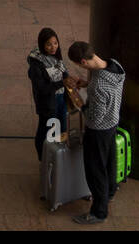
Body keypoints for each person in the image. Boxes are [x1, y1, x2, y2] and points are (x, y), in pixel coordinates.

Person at [66, 42, 125, 225]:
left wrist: (79, 103)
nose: (79, 67)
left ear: (83, 61)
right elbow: (104, 89)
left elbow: (95, 118)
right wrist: (87, 84)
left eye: (78, 64)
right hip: (113, 122)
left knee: (95, 170)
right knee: (109, 161)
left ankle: (99, 212)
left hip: (98, 131)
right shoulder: (115, 65)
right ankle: (110, 192)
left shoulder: (98, 86)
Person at [28, 30, 79, 161]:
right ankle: (43, 158)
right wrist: (61, 83)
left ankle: (58, 157)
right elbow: (41, 88)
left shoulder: (56, 56)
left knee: (62, 128)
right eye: (49, 44)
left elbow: (63, 72)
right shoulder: (36, 65)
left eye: (55, 43)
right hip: (47, 103)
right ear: (42, 45)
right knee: (47, 130)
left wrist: (70, 79)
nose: (53, 47)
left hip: (60, 99)